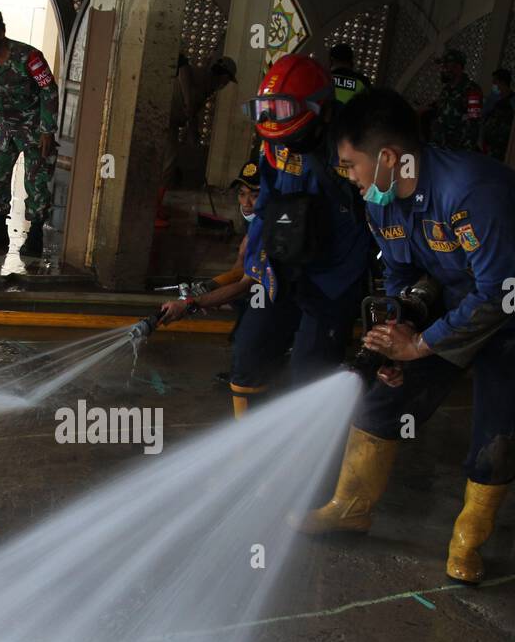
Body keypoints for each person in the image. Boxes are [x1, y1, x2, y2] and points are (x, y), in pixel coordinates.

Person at [295, 88, 515, 584]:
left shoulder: (469, 191)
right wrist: (397, 331)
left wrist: (422, 344)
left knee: (499, 424)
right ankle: (350, 507)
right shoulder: (381, 199)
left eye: (349, 164)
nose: (348, 176)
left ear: (387, 157)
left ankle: (469, 539)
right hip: (461, 295)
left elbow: (500, 292)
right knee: (388, 395)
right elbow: (400, 275)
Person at [207, 54, 371, 417]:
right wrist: (254, 264)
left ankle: (308, 465)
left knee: (308, 376)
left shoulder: (354, 151)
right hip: (279, 272)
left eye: (283, 110)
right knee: (248, 357)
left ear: (323, 112)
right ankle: (248, 452)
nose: (273, 120)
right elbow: (265, 202)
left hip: (331, 282)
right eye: (268, 111)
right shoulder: (274, 145)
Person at [158, 160, 260, 390]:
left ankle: (249, 383)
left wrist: (192, 304)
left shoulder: (266, 229)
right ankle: (242, 373)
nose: (246, 203)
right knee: (241, 334)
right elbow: (239, 269)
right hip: (255, 287)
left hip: (274, 295)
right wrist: (212, 292)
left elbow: (246, 283)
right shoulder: (253, 226)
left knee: (250, 336)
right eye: (242, 194)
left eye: (254, 195)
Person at [0, 9, 59, 258]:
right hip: (6, 127)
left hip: (35, 129)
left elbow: (49, 91)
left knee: (36, 181)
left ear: (1, 32)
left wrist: (47, 130)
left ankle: (36, 235)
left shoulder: (30, 57)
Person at [156, 54, 238, 227]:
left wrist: (194, 135)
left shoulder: (207, 88)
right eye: (227, 81)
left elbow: (191, 115)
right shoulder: (200, 76)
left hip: (170, 121)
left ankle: (156, 207)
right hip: (161, 116)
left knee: (168, 163)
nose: (224, 85)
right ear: (223, 77)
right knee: (168, 163)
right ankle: (154, 210)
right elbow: (182, 65)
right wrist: (187, 102)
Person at [425, 48, 482, 150]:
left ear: (458, 67)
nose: (443, 69)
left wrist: (465, 151)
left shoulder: (472, 90)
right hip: (438, 146)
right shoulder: (446, 90)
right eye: (442, 66)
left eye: (446, 65)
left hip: (456, 151)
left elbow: (474, 121)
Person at [480, 67, 515, 161]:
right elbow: (483, 115)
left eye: (495, 82)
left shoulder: (514, 102)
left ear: (502, 82)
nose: (493, 85)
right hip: (488, 146)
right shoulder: (492, 99)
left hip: (502, 148)